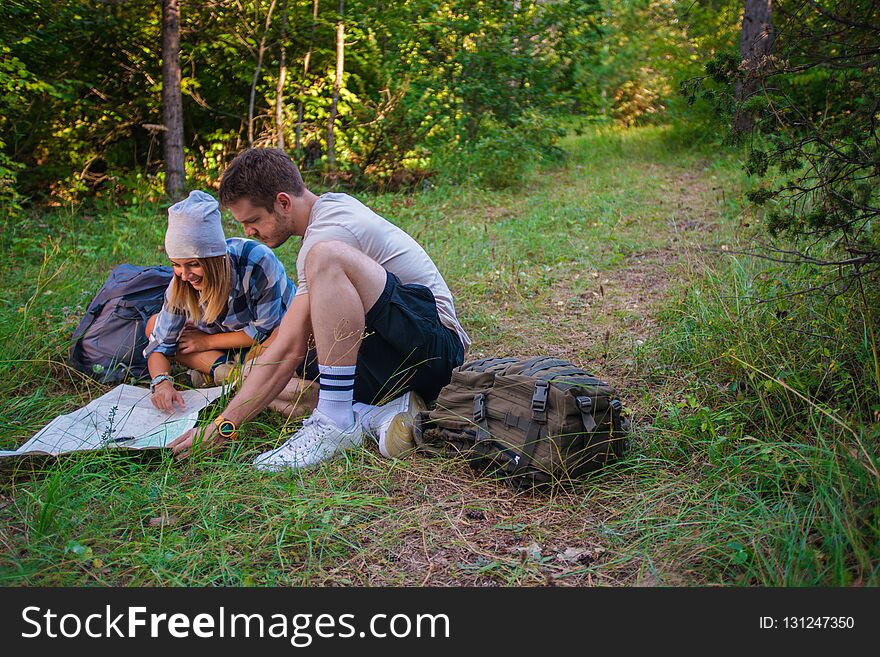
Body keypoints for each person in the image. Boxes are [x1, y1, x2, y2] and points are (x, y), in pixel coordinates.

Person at [168, 148, 470, 469]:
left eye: (253, 220)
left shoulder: (328, 234)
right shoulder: (323, 215)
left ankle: (335, 421)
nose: (248, 233)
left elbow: (289, 347)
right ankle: (376, 415)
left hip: (434, 350)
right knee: (257, 376)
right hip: (392, 352)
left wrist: (222, 428)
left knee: (325, 258)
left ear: (283, 202)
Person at [145, 190, 296, 413]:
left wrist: (207, 343)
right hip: (228, 343)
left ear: (215, 260)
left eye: (194, 264)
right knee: (153, 324)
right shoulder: (181, 284)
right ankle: (230, 375)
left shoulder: (257, 262)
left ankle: (223, 374)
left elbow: (264, 331)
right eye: (176, 264)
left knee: (279, 338)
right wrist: (161, 382)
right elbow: (161, 343)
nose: (185, 275)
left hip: (266, 341)